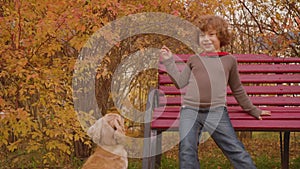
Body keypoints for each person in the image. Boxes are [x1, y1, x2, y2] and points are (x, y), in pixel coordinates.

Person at [160, 15, 271, 169]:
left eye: (211, 35)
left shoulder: (229, 60)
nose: (206, 39)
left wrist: (253, 110)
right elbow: (180, 83)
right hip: (190, 110)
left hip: (216, 111)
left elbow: (237, 88)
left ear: (221, 36)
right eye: (202, 35)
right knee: (186, 149)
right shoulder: (194, 59)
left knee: (235, 148)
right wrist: (168, 61)